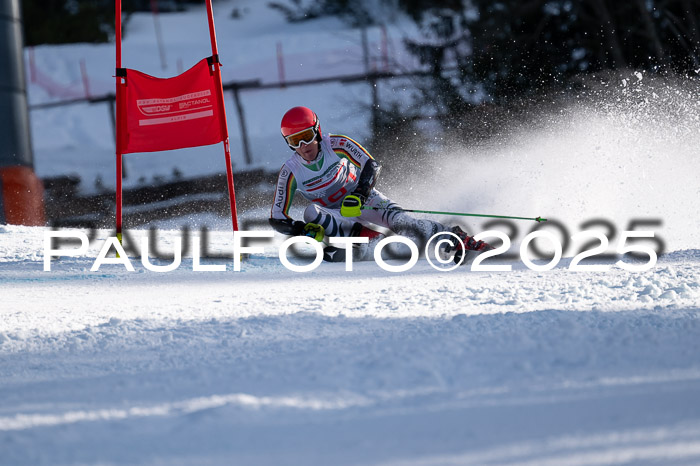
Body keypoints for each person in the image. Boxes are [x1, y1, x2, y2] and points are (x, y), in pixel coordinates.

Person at [269, 106, 490, 262]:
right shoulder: (291, 171)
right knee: (311, 213)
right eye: (295, 141)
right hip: (336, 215)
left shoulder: (336, 144)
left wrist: (360, 194)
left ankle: (459, 239)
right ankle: (368, 242)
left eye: (307, 136)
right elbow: (278, 218)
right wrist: (302, 229)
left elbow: (371, 165)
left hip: (365, 201)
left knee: (404, 223)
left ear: (317, 130)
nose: (304, 145)